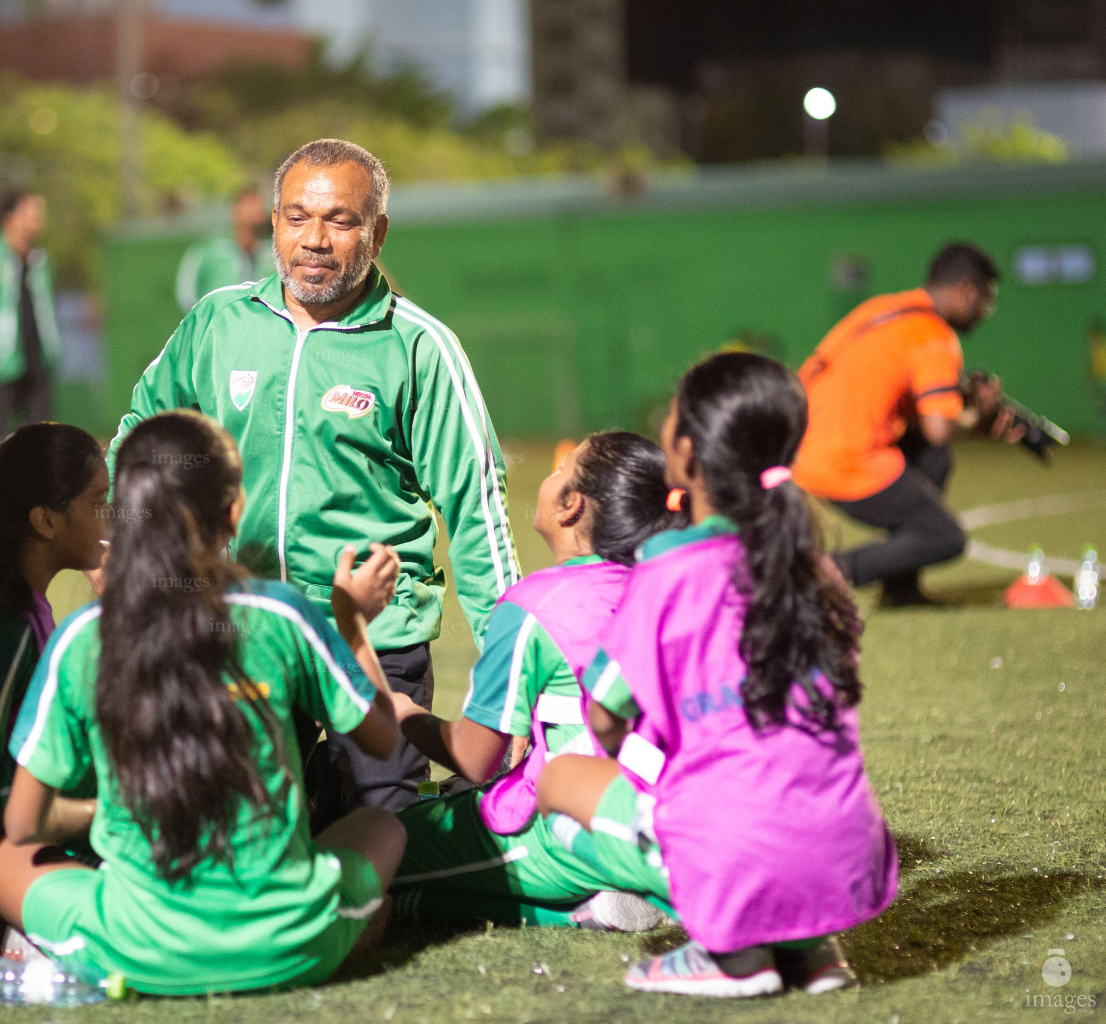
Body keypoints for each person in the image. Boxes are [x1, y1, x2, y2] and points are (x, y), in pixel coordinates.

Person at [109, 138, 519, 818]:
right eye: (297, 217)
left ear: (378, 232)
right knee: (235, 828)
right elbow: (140, 438)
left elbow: (476, 509)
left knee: (386, 833)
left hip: (377, 643)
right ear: (272, 224)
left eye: (340, 220)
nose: (316, 240)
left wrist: (515, 666)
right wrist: (120, 548)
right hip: (246, 628)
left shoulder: (418, 346)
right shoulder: (218, 322)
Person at [0, 411, 406, 995]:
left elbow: (25, 823)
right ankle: (339, 921)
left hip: (139, 946)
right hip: (293, 944)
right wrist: (352, 623)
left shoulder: (83, 637)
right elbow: (383, 738)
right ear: (232, 511)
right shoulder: (281, 613)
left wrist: (101, 812)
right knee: (383, 827)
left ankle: (42, 942)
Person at [538, 352, 897, 998]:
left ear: (684, 449)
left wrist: (649, 765)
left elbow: (603, 717)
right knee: (771, 777)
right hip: (849, 857)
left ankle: (730, 954)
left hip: (734, 849)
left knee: (564, 777)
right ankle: (813, 954)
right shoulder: (819, 574)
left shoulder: (666, 575)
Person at [387, 432, 684, 931]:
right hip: (669, 820)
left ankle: (577, 911)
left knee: (371, 848)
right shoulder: (672, 591)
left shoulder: (536, 604)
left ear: (571, 506)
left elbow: (475, 758)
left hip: (565, 831)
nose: (546, 479)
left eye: (560, 469)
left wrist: (403, 715)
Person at [0, 421, 109, 912]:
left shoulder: (21, 603)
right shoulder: (2, 627)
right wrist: (18, 852)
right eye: (98, 501)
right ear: (47, 521)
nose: (110, 515)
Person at [795, 243, 1023, 605]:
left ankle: (900, 590)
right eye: (986, 300)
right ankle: (827, 571)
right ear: (968, 290)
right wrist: (981, 421)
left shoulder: (888, 308)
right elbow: (940, 428)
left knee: (935, 458)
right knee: (945, 538)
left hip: (801, 445)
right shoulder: (934, 337)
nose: (986, 311)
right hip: (841, 462)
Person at [0, 188, 63, 458]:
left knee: (44, 438)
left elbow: (47, 310)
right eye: (32, 212)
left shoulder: (41, 261)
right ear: (10, 217)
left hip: (38, 360)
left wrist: (53, 351)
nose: (39, 219)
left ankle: (45, 494)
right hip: (0, 363)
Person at [175, 186, 276, 313]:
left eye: (259, 206)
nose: (257, 212)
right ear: (235, 210)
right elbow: (186, 293)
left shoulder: (273, 251)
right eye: (251, 205)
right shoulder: (209, 249)